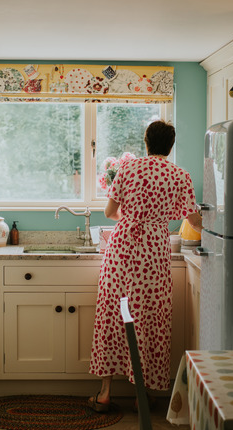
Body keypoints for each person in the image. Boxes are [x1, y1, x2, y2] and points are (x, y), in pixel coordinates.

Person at [88, 120, 202, 412]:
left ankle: (104, 393)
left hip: (122, 250)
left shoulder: (127, 168)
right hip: (153, 252)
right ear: (171, 144)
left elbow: (110, 211)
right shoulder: (179, 175)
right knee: (150, 319)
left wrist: (130, 220)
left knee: (114, 315)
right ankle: (144, 394)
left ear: (146, 141)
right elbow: (194, 220)